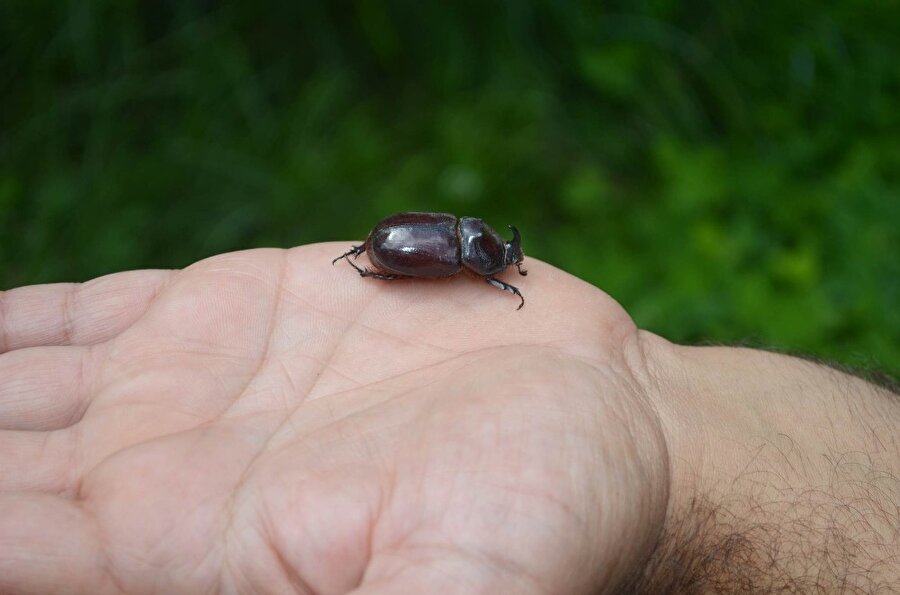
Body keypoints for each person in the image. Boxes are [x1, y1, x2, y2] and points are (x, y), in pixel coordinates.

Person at [0, 244, 897, 594]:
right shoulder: (455, 260)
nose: (502, 264)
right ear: (480, 257)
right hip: (392, 249)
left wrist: (653, 418)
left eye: (499, 262)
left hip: (391, 245)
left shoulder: (472, 260)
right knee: (396, 259)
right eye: (499, 261)